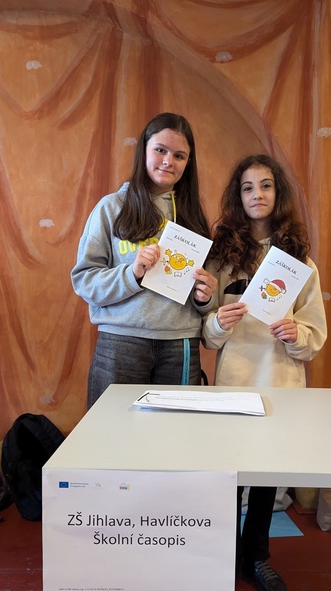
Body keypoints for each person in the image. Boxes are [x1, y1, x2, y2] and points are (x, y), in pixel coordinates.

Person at [202, 154, 327, 591]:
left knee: (265, 479)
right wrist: (218, 323)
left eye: (266, 185)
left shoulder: (299, 262)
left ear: (278, 193)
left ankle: (255, 557)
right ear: (238, 197)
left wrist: (297, 334)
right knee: (230, 476)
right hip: (234, 381)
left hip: (281, 383)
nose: (258, 195)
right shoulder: (221, 258)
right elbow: (206, 333)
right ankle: (220, 561)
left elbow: (314, 335)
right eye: (248, 187)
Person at [71, 113, 217, 407]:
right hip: (121, 342)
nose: (168, 161)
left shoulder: (193, 217)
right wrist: (132, 274)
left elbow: (204, 296)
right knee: (111, 429)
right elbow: (84, 280)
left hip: (180, 344)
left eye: (179, 155)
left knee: (174, 432)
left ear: (188, 163)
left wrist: (204, 296)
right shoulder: (111, 208)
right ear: (144, 150)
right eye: (160, 150)